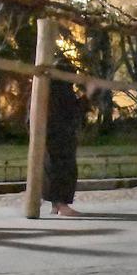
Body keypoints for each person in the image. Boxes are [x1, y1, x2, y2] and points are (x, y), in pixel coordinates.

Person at [42, 75, 91, 217]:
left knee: (51, 170)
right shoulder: (62, 92)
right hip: (62, 138)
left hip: (50, 138)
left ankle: (55, 205)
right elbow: (72, 111)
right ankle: (62, 205)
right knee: (64, 171)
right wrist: (87, 96)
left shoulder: (47, 89)